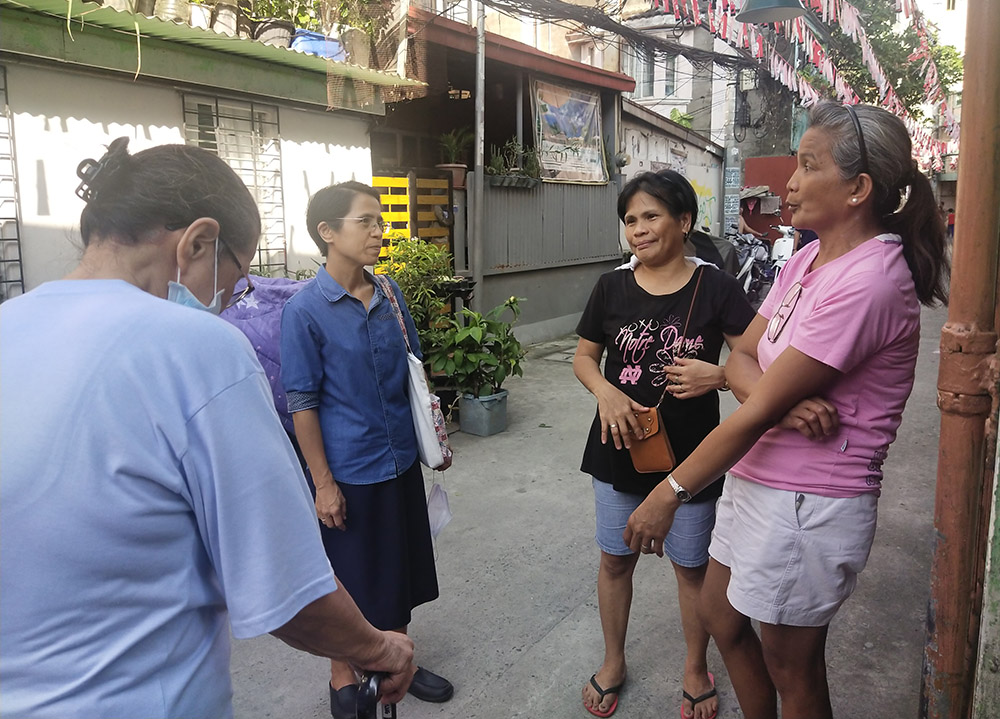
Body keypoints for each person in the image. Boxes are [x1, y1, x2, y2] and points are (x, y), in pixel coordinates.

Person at [0, 139, 415, 718]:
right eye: (236, 277)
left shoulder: (9, 325)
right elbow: (285, 587)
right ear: (197, 242)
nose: (226, 303)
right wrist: (377, 649)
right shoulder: (196, 347)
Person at [624, 101, 948, 719]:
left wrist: (669, 492)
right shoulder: (806, 257)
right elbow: (741, 354)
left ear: (858, 189)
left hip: (810, 499)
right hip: (759, 477)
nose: (788, 183)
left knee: (791, 664)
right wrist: (779, 401)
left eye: (807, 166)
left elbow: (751, 397)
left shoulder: (869, 280)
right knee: (721, 614)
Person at [574, 169, 755, 719]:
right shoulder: (612, 286)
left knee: (692, 568)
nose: (638, 229)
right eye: (630, 220)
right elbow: (584, 356)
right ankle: (613, 661)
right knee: (614, 560)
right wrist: (605, 390)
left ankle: (695, 666)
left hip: (693, 456)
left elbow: (756, 360)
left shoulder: (717, 287)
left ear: (684, 221)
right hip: (618, 447)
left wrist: (718, 376)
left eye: (651, 216)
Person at [280, 182, 453, 719]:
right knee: (351, 578)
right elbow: (303, 403)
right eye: (366, 222)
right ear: (327, 233)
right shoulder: (306, 311)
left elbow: (413, 370)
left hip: (400, 459)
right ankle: (343, 674)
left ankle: (394, 661)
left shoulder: (390, 295)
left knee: (397, 568)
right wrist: (323, 484)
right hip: (349, 469)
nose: (379, 231)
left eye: (380, 221)